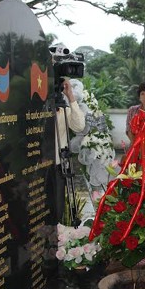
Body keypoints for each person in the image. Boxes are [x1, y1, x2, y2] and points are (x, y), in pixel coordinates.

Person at [54, 79, 86, 222]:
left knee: (58, 206)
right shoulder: (37, 110)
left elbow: (79, 126)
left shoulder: (64, 110)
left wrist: (71, 97)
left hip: (59, 165)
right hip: (39, 165)